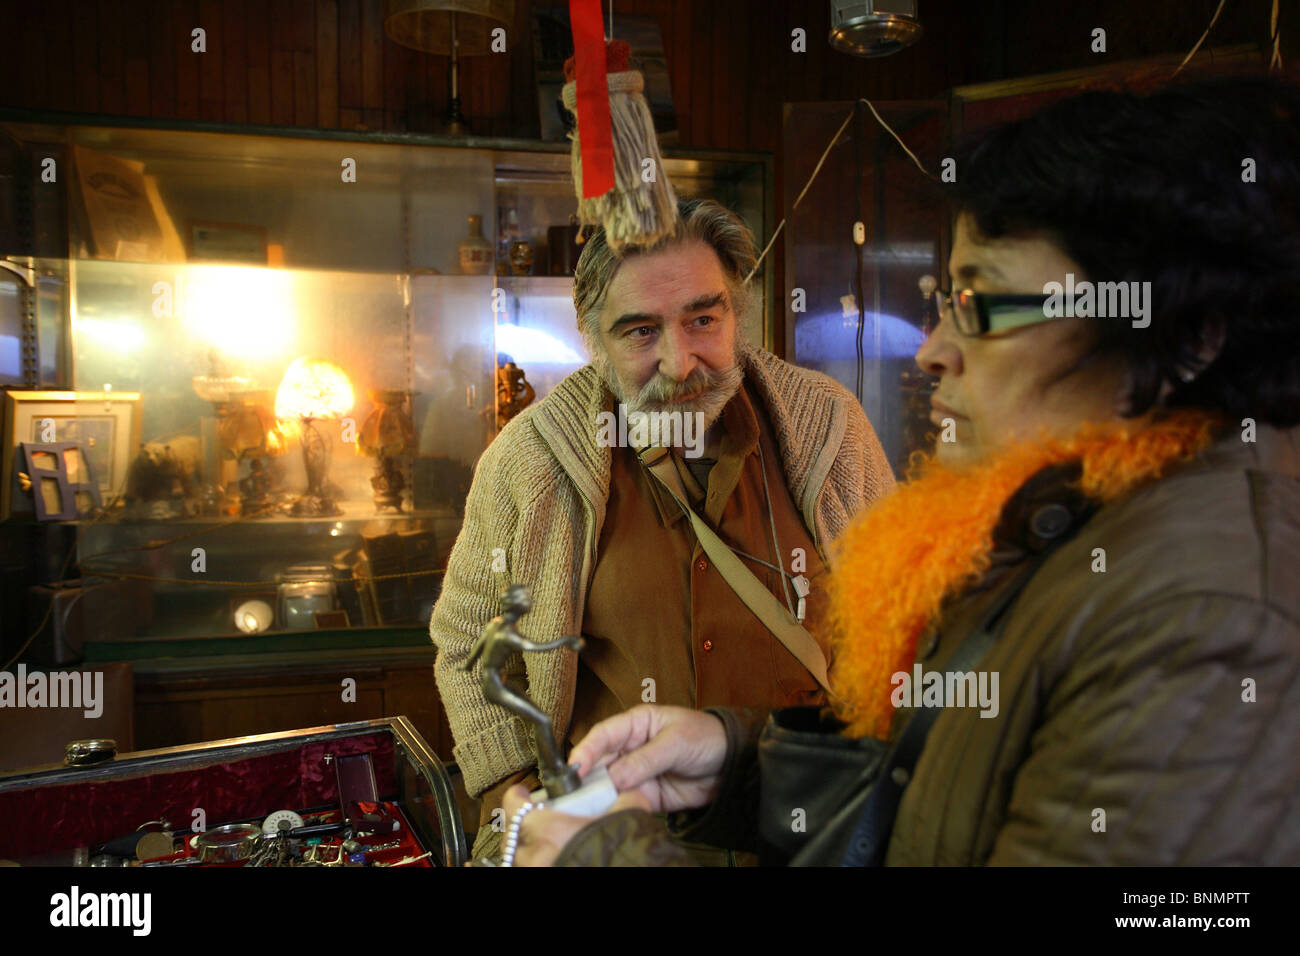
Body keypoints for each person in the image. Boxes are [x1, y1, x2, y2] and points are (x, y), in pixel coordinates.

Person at [497, 73, 1300, 866]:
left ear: (1188, 336)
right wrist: (739, 763)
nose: (933, 351)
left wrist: (608, 860)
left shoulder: (1206, 617)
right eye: (946, 301)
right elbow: (940, 791)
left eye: (982, 309)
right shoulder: (1068, 526)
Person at [430, 199, 895, 859]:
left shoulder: (830, 430)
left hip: (809, 837)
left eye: (703, 319)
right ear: (595, 340)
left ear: (738, 312)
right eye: (641, 332)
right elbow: (469, 644)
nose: (681, 362)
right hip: (611, 849)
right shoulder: (533, 459)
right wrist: (516, 800)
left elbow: (910, 623)